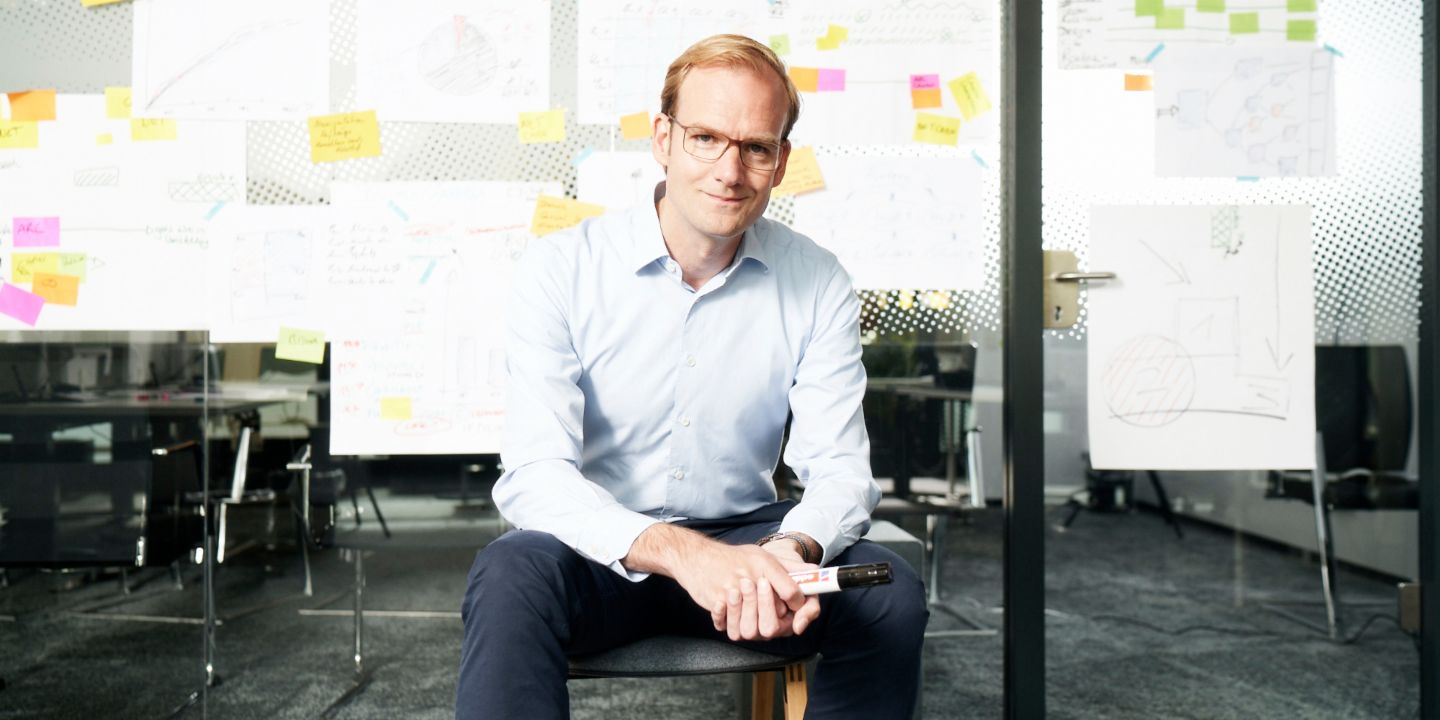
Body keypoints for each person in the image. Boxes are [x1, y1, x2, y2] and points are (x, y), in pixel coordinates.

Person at [456, 34, 928, 719]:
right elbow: (535, 474)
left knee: (891, 594)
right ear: (663, 139)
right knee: (509, 575)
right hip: (602, 552)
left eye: (755, 147)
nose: (729, 171)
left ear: (780, 161)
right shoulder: (560, 268)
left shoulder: (817, 279)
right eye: (706, 137)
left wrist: (790, 548)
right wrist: (683, 556)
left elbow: (841, 472)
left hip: (751, 546)